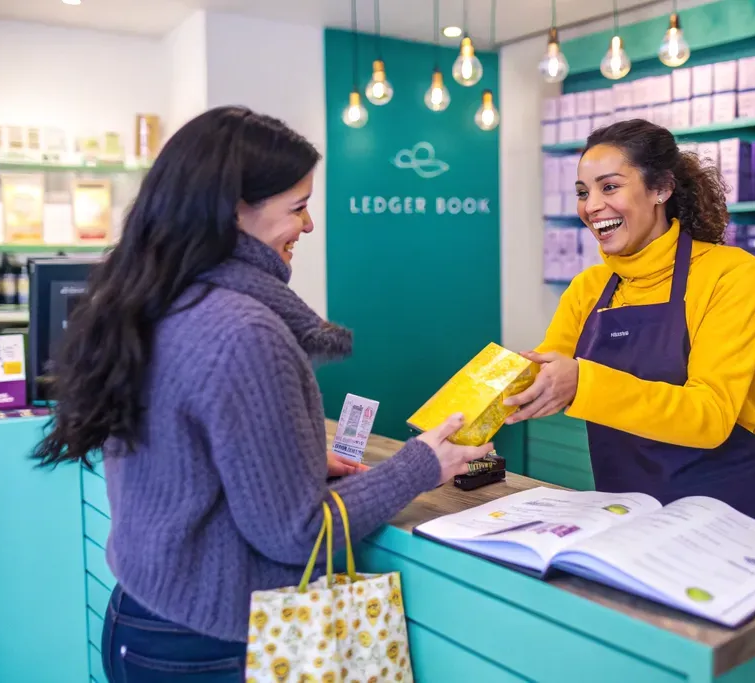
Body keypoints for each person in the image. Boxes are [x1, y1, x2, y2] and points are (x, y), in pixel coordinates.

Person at [32, 106, 492, 681]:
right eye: (297, 207)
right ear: (233, 213)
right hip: (211, 648)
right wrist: (420, 465)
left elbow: (179, 453)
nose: (309, 226)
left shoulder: (158, 299)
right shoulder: (245, 331)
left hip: (144, 621)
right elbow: (298, 532)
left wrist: (287, 465)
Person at [505, 119, 755, 532]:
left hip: (727, 511)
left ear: (661, 189)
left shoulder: (731, 274)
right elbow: (547, 373)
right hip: (628, 510)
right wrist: (485, 404)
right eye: (583, 193)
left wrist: (582, 382)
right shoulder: (589, 287)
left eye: (610, 187)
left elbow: (710, 415)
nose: (591, 206)